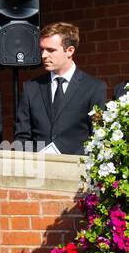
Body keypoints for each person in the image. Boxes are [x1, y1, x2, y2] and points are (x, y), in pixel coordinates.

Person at [14, 22, 107, 154]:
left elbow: (98, 136)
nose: (44, 55)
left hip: (77, 169)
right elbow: (22, 136)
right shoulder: (31, 88)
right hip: (39, 170)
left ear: (70, 51)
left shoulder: (93, 88)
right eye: (42, 49)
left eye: (51, 50)